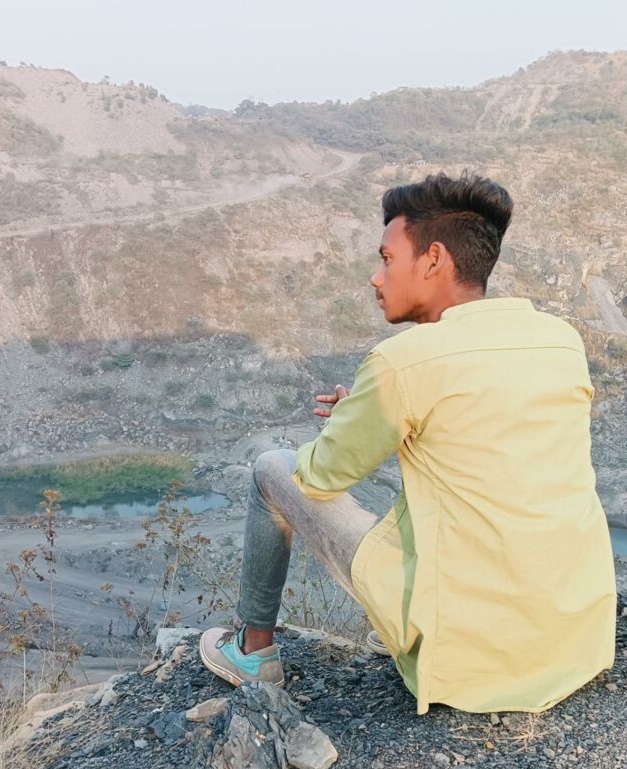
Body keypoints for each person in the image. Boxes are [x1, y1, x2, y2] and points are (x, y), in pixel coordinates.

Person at [199, 171, 616, 714]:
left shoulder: (404, 361)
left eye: (387, 258)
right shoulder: (560, 340)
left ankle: (254, 653)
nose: (376, 277)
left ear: (434, 258)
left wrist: (349, 425)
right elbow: (481, 446)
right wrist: (369, 415)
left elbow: (319, 478)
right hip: (571, 641)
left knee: (272, 469)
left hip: (471, 661)